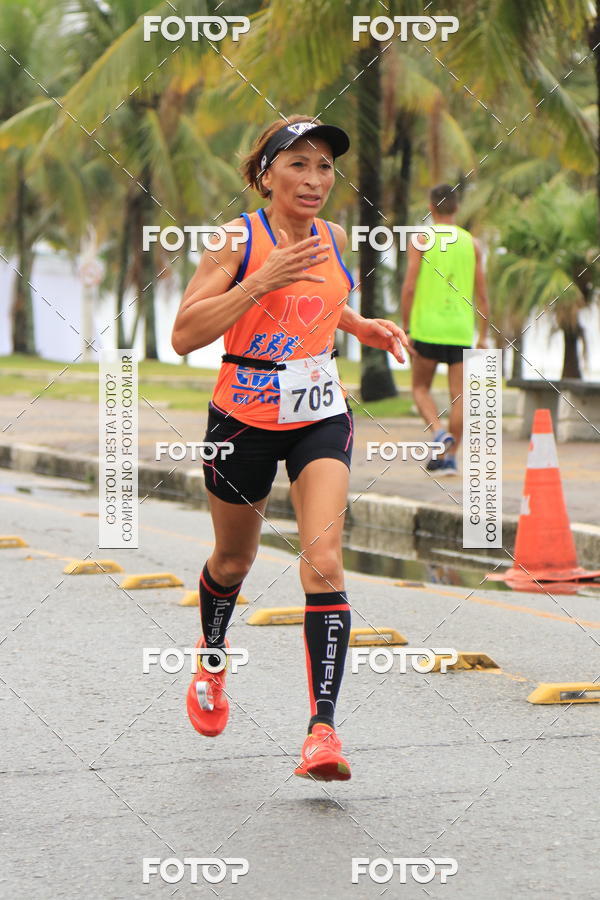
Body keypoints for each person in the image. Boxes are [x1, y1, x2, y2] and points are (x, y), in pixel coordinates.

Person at [171, 115, 410, 781]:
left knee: (325, 558)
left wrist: (363, 326)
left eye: (325, 167)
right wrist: (259, 280)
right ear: (267, 174)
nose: (313, 179)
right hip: (242, 419)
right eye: (298, 164)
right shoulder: (236, 240)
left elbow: (325, 305)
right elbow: (184, 334)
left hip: (318, 413)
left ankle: (322, 732)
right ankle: (212, 659)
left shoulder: (333, 237)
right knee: (234, 557)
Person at [400, 184, 490, 475]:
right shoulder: (472, 244)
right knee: (460, 397)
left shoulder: (422, 239)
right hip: (461, 330)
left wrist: (406, 326)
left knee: (419, 388)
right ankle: (450, 458)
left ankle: (438, 432)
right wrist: (484, 335)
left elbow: (410, 285)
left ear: (431, 206)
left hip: (426, 329)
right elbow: (483, 294)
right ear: (456, 208)